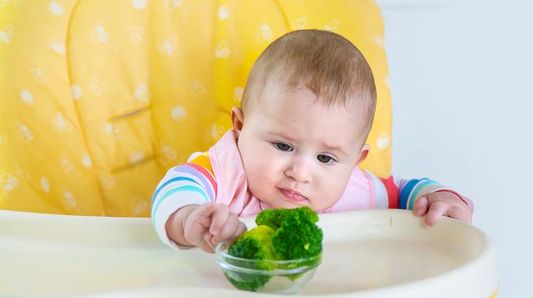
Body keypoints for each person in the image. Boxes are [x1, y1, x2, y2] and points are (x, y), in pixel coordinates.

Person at [150, 30, 473, 253]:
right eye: (283, 146)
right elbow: (177, 187)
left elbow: (406, 192)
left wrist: (439, 197)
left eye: (326, 159)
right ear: (240, 126)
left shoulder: (356, 190)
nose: (300, 173)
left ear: (355, 162)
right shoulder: (224, 171)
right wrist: (190, 217)